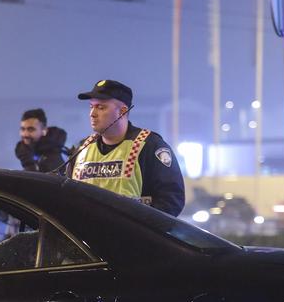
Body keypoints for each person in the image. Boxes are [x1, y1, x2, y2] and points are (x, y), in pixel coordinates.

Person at [67, 79, 185, 216]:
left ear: (122, 111)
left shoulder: (150, 146)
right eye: (91, 106)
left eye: (101, 107)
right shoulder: (81, 149)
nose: (92, 113)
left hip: (130, 236)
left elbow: (171, 201)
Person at [15, 107, 68, 172]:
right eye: (22, 129)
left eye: (31, 129)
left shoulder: (53, 157)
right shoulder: (25, 153)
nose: (25, 134)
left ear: (44, 131)